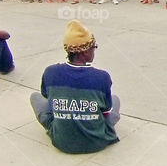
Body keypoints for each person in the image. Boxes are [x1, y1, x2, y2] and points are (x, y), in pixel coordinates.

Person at [30, 20, 120, 154]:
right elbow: (105, 112)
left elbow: (47, 97)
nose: (94, 51)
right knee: (115, 99)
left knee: (35, 97)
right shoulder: (102, 77)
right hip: (96, 141)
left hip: (62, 141)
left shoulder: (50, 72)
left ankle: (63, 126)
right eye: (93, 47)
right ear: (84, 52)